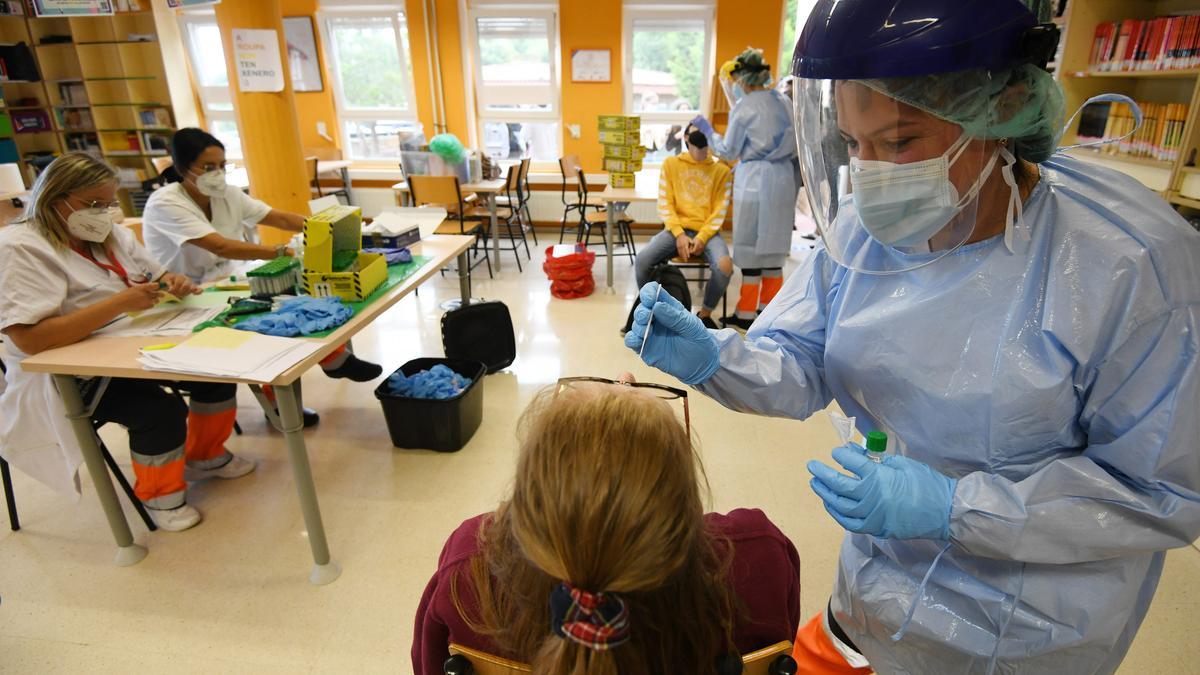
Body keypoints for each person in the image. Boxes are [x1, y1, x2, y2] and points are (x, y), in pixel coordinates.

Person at [625, 1, 1200, 673]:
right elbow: (803, 359)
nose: (872, 172)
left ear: (1003, 108)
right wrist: (717, 358)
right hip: (875, 603)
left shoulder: (1127, 264)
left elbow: (1163, 492)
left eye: (899, 142)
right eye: (854, 144)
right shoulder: (866, 234)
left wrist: (957, 508)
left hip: (1027, 639)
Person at [412, 379, 800, 674]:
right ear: (678, 505)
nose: (622, 382)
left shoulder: (470, 572)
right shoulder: (760, 559)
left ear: (531, 503)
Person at [0, 153, 255, 532]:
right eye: (92, 204)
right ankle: (161, 496)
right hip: (65, 370)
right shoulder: (19, 247)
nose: (103, 213)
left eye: (107, 203)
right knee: (159, 412)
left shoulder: (106, 233)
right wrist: (118, 303)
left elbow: (154, 273)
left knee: (215, 371)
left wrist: (173, 282)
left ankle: (206, 455)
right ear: (55, 198)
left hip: (129, 341)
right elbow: (30, 339)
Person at [142, 128, 382, 427]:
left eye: (221, 165)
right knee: (271, 324)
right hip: (187, 294)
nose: (217, 173)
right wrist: (283, 251)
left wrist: (328, 228)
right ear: (181, 168)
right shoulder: (166, 203)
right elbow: (219, 245)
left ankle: (333, 360)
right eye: (208, 167)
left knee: (295, 303)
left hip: (227, 282)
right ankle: (280, 404)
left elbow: (278, 217)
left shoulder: (225, 194)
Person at [691, 48, 799, 330]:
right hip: (783, 179)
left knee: (750, 249)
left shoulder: (745, 107)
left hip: (754, 179)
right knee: (774, 250)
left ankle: (746, 314)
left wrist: (707, 130)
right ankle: (768, 313)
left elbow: (728, 150)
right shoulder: (783, 100)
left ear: (742, 79)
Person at [633, 124, 733, 329]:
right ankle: (654, 309)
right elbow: (664, 203)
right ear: (687, 141)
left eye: (705, 147)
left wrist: (702, 237)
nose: (702, 152)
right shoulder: (671, 164)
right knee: (643, 261)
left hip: (707, 231)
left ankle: (704, 315)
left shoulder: (721, 171)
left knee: (724, 266)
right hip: (675, 229)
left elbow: (719, 211)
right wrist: (679, 234)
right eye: (697, 146)